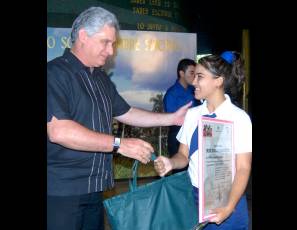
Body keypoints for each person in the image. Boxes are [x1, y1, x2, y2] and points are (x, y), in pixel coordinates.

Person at [47, 6, 191, 230]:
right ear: (83, 36)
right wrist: (119, 144)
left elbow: (126, 112)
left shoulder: (101, 79)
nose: (111, 51)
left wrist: (171, 118)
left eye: (112, 44)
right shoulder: (54, 74)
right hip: (62, 192)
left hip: (96, 190)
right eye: (106, 42)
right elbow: (59, 131)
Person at [154, 51, 252, 229]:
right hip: (193, 199)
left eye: (200, 77)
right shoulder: (192, 115)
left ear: (218, 81)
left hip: (228, 200)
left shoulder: (240, 118)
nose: (194, 82)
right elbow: (183, 155)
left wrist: (228, 207)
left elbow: (243, 168)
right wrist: (171, 163)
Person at [163, 58, 200, 174]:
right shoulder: (171, 94)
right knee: (179, 174)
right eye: (192, 73)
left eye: (196, 73)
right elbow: (172, 119)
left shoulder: (194, 91)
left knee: (194, 171)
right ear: (181, 73)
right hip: (177, 136)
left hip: (194, 135)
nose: (195, 76)